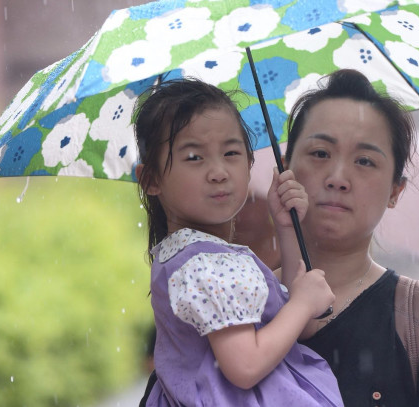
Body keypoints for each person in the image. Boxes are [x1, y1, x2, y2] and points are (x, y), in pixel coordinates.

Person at [276, 69, 419, 406]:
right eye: (321, 153)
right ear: (284, 168)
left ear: (395, 190)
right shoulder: (232, 303)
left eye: (364, 161)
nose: (337, 178)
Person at [132, 77, 344, 406]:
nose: (219, 171)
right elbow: (245, 365)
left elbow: (276, 318)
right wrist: (303, 304)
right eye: (194, 157)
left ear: (249, 162)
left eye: (231, 152)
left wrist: (286, 229)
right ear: (151, 179)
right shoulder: (209, 264)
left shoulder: (189, 255)